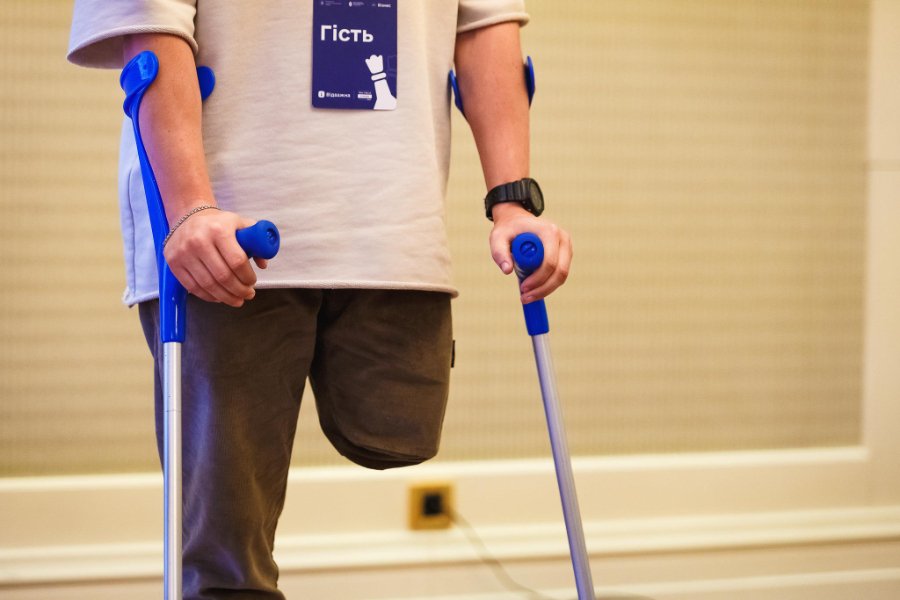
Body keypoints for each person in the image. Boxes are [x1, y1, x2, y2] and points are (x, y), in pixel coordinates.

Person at [69, 1, 572, 597]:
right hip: (228, 227)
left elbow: (485, 23)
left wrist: (513, 201)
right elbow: (148, 26)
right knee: (226, 550)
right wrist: (189, 208)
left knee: (397, 432)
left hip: (393, 215)